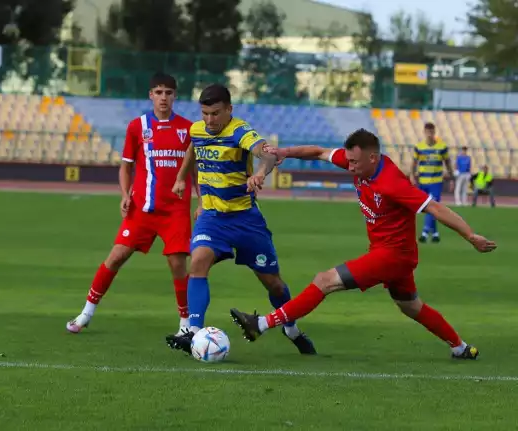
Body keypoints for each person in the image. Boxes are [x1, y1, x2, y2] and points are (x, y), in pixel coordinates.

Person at [231, 129, 496, 360]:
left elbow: (435, 208)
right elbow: (320, 152)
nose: (350, 166)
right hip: (394, 254)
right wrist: (285, 152)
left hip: (392, 255)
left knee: (324, 280)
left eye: (355, 161)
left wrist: (470, 235)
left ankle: (262, 323)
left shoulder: (391, 182)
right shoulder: (357, 162)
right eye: (349, 160)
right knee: (411, 306)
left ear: (373, 157)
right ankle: (460, 347)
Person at [165, 83, 315, 356]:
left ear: (229, 110)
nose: (210, 120)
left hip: (246, 220)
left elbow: (266, 153)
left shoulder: (239, 131)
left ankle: (291, 328)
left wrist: (259, 174)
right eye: (205, 113)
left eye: (216, 113)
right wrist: (180, 178)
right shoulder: (197, 130)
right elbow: (192, 150)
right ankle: (194, 333)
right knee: (197, 261)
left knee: (273, 283)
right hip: (212, 217)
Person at [66, 73, 199, 336]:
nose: (163, 97)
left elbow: (195, 170)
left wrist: (202, 200)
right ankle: (86, 313)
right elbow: (126, 166)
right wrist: (125, 194)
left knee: (177, 264)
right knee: (116, 257)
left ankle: (185, 325)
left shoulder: (188, 129)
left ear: (175, 96)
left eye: (168, 93)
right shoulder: (137, 127)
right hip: (142, 209)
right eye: (159, 92)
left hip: (175, 210)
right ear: (151, 95)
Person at [410, 123, 454, 243]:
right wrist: (412, 176)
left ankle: (424, 232)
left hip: (436, 182)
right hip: (423, 181)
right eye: (427, 132)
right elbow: (414, 162)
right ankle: (435, 233)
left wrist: (451, 178)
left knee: (433, 207)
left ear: (434, 132)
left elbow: (448, 162)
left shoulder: (442, 147)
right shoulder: (419, 147)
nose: (430, 134)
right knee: (426, 208)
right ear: (424, 132)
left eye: (431, 132)